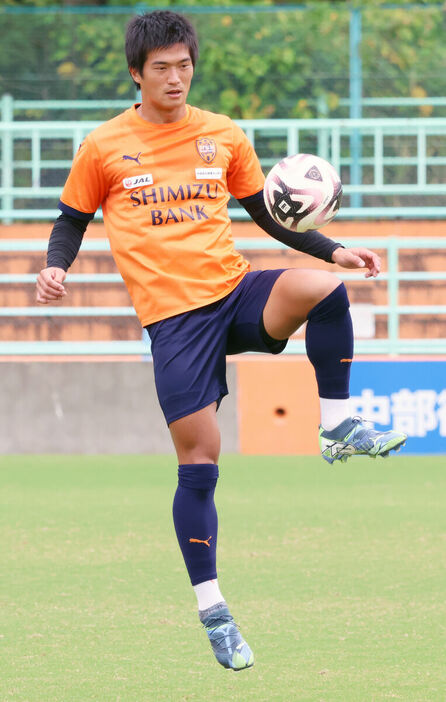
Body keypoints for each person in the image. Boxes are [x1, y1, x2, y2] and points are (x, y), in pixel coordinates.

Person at [35, 10, 406, 672]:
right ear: (136, 74)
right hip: (174, 322)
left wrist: (336, 248)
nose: (176, 79)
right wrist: (56, 264)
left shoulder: (221, 135)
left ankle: (339, 424)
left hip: (233, 294)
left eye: (184, 66)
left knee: (324, 290)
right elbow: (71, 219)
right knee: (201, 462)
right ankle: (213, 609)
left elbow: (268, 215)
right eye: (162, 69)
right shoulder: (104, 147)